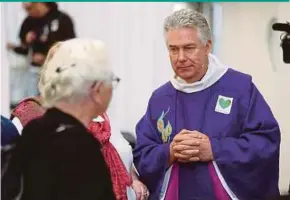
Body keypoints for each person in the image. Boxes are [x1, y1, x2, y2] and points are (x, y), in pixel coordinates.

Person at [133, 9, 281, 200]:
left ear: (207, 46)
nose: (180, 57)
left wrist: (215, 149)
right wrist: (169, 152)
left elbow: (266, 143)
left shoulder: (239, 88)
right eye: (173, 49)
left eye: (188, 48)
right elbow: (142, 153)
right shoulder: (161, 98)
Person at [10, 43, 148, 200]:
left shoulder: (40, 127)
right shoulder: (79, 142)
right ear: (95, 88)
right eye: (110, 80)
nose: (112, 87)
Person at [7, 2, 76, 101]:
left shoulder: (62, 19)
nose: (28, 12)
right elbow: (24, 49)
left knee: (55, 105)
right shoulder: (29, 21)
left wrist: (48, 57)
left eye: (30, 8)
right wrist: (23, 42)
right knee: (32, 105)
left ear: (39, 3)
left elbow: (72, 47)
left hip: (57, 73)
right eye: (26, 10)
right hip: (35, 73)